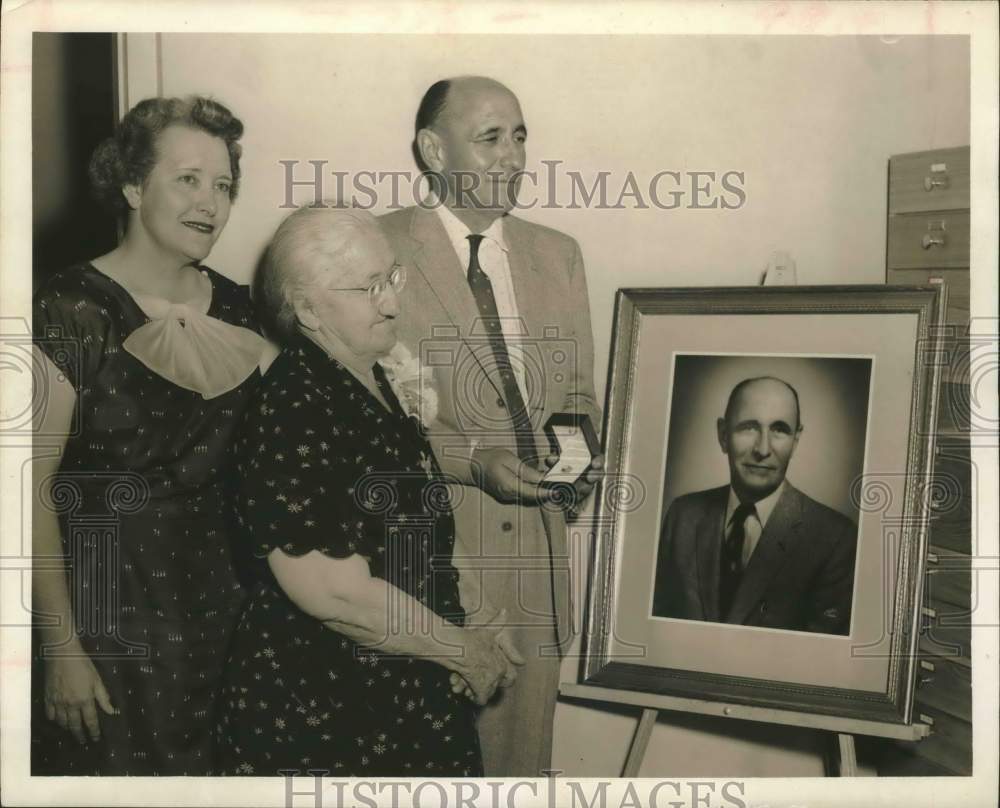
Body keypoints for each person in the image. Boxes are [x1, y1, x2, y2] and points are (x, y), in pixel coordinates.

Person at [216, 206, 519, 777]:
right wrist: (460, 650)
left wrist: (474, 618)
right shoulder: (294, 407)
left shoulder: (373, 373)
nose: (391, 303)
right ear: (306, 309)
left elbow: (422, 517)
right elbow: (334, 593)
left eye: (392, 277)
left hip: (403, 684)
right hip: (323, 708)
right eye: (368, 288)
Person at [31, 95, 270, 774]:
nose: (211, 203)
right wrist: (61, 651)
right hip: (109, 614)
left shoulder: (242, 307)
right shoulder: (71, 307)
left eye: (223, 185)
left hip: (227, 614)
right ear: (133, 185)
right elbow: (25, 493)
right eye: (187, 179)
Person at [379, 75, 602, 776]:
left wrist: (576, 471)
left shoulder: (557, 253)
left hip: (536, 568)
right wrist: (474, 460)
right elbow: (375, 421)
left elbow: (575, 395)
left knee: (520, 772)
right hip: (431, 562)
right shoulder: (376, 250)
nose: (512, 156)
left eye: (520, 135)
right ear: (432, 150)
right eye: (490, 138)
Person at [652, 376, 858, 635]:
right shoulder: (683, 515)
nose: (762, 449)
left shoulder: (836, 539)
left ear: (795, 440)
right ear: (723, 435)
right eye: (749, 428)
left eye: (779, 430)